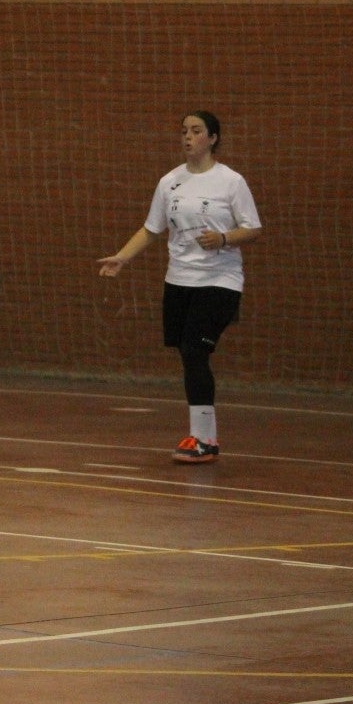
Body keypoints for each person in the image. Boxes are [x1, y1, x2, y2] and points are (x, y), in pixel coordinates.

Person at [98, 110, 262, 463]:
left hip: (219, 280)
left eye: (196, 131)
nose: (188, 137)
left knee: (194, 350)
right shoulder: (169, 181)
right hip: (178, 280)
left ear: (213, 138)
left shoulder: (230, 182)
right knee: (187, 354)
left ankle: (204, 440)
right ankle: (202, 437)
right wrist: (123, 257)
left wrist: (223, 238)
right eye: (184, 131)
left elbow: (252, 228)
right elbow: (152, 229)